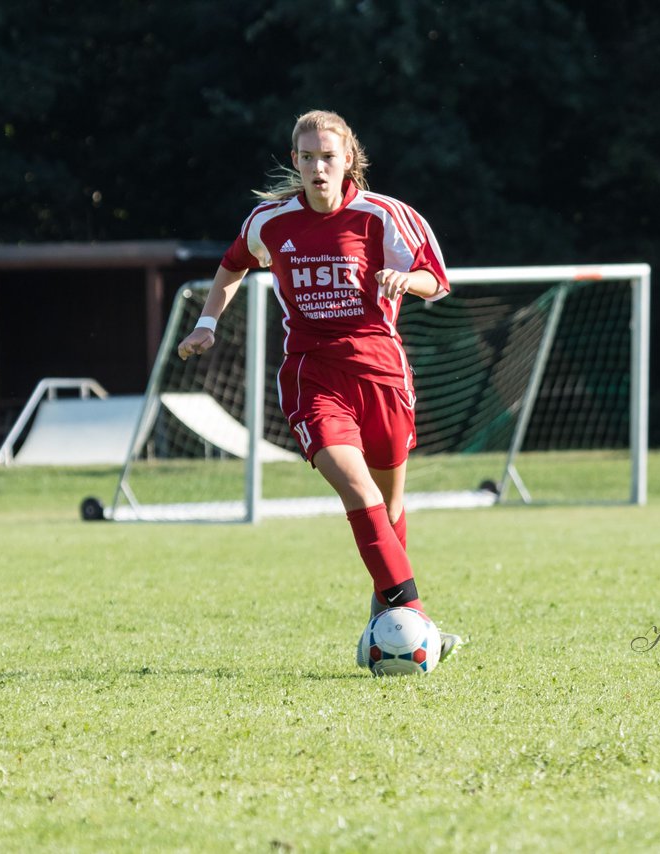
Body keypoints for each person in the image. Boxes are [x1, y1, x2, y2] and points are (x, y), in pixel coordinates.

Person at [176, 109, 462, 663]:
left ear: (348, 159)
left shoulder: (384, 216)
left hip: (382, 374)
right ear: (296, 162)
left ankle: (388, 621)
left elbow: (436, 280)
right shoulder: (271, 221)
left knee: (390, 504)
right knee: (359, 492)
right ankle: (417, 622)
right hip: (313, 375)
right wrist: (206, 323)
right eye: (306, 158)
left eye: (327, 157)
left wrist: (408, 279)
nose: (317, 167)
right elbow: (233, 264)